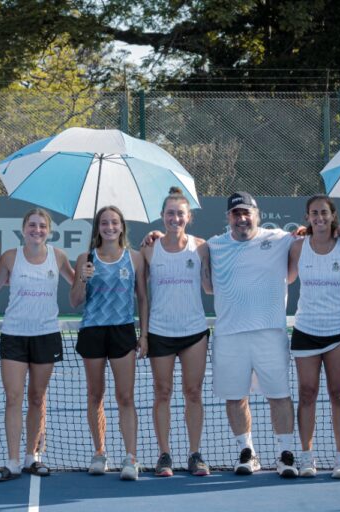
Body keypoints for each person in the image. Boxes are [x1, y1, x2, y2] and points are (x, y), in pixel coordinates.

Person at [204, 191, 301, 478]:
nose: (242, 218)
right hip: (229, 335)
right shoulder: (212, 245)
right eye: (236, 213)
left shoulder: (282, 238)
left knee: (279, 396)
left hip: (270, 333)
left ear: (257, 215)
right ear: (228, 218)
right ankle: (247, 452)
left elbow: (321, 236)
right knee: (235, 398)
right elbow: (184, 246)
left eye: (247, 213)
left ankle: (285, 453)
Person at [0, 208, 75, 481]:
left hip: (46, 335)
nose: (37, 230)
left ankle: (32, 457)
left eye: (42, 226)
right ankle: (13, 461)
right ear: (23, 229)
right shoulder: (10, 257)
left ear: (48, 231)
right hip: (14, 335)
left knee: (37, 397)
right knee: (13, 398)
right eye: (32, 225)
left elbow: (78, 287)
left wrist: (86, 275)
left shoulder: (58, 257)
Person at [69, 205, 149, 481]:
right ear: (98, 228)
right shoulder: (85, 258)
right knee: (95, 395)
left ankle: (131, 457)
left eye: (115, 222)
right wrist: (83, 277)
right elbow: (75, 301)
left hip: (123, 331)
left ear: (122, 226)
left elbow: (142, 298)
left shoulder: (135, 258)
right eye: (105, 222)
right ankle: (100, 452)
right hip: (92, 331)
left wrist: (145, 335)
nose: (110, 227)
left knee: (125, 397)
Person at [287, 195, 340, 479]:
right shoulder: (296, 247)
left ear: (333, 216)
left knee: (339, 394)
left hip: (339, 332)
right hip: (306, 331)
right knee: (307, 395)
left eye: (324, 213)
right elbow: (281, 275)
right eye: (314, 213)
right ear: (307, 217)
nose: (319, 217)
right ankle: (307, 457)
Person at [140, 187, 211, 477]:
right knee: (162, 393)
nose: (175, 218)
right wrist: (143, 334)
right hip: (160, 332)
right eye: (170, 213)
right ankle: (164, 455)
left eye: (180, 213)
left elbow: (210, 285)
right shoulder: (148, 248)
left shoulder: (202, 246)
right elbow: (142, 297)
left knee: (193, 393)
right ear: (162, 217)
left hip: (194, 332)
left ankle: (195, 454)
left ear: (188, 217)